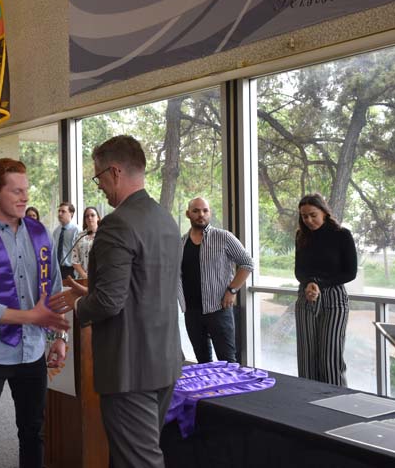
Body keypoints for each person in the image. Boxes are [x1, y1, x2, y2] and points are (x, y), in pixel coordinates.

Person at [51, 135, 183, 468]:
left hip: (129, 367)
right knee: (130, 456)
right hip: (164, 361)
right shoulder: (165, 219)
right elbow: (144, 288)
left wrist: (79, 305)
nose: (100, 188)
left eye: (98, 178)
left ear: (114, 172)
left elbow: (109, 303)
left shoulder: (117, 224)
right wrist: (92, 292)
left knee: (139, 461)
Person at [0, 158, 70, 468]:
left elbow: (55, 293)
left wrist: (59, 335)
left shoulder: (40, 235)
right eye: (16, 191)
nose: (25, 197)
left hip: (32, 354)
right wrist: (34, 318)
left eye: (26, 190)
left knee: (33, 434)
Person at [179, 197, 254, 363]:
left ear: (210, 213)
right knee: (203, 363)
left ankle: (233, 390)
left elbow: (247, 263)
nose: (201, 214)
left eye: (205, 210)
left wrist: (232, 290)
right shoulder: (181, 243)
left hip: (218, 309)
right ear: (188, 214)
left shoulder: (223, 237)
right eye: (196, 211)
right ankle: (209, 390)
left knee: (227, 362)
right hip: (191, 312)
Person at [295, 193, 357, 386]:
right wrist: (309, 284)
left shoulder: (342, 235)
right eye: (305, 216)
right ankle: (307, 401)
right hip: (306, 295)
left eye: (313, 214)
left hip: (334, 298)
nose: (309, 220)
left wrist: (319, 284)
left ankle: (335, 403)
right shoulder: (301, 236)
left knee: (330, 356)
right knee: (306, 355)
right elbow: (299, 270)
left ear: (324, 212)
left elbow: (350, 272)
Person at [71, 206, 100, 280]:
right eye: (87, 216)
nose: (89, 218)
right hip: (82, 278)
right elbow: (74, 259)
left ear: (98, 218)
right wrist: (84, 275)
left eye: (92, 215)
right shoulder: (79, 236)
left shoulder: (104, 235)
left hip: (100, 277)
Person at [52, 202, 79, 279]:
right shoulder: (56, 231)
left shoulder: (76, 231)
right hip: (57, 269)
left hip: (70, 270)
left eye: (63, 211)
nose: (60, 214)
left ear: (71, 214)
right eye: (59, 211)